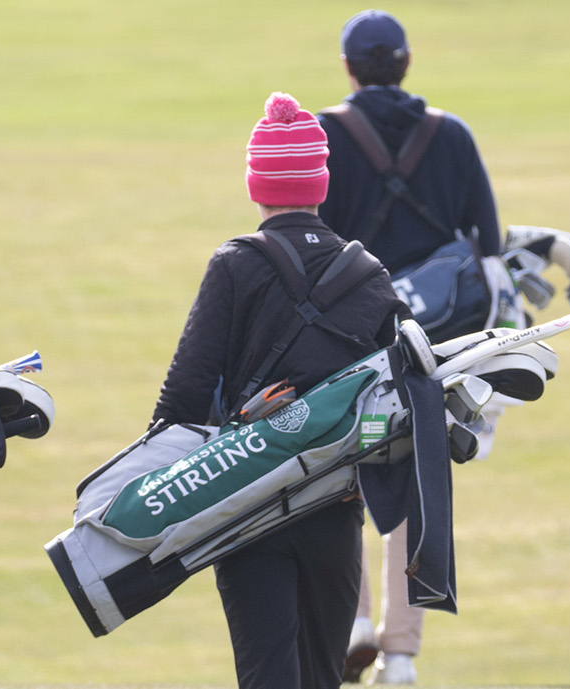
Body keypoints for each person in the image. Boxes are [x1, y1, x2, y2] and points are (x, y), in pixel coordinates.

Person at [151, 92, 407, 689]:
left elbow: (182, 399)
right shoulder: (371, 276)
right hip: (336, 511)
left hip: (250, 507)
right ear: (320, 184)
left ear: (255, 185)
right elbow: (395, 403)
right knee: (322, 678)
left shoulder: (236, 265)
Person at [317, 10, 501, 683]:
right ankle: (400, 653)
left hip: (348, 337)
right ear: (407, 63)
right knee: (417, 479)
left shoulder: (324, 133)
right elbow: (488, 238)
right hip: (433, 340)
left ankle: (355, 622)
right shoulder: (449, 134)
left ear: (348, 68)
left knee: (342, 479)